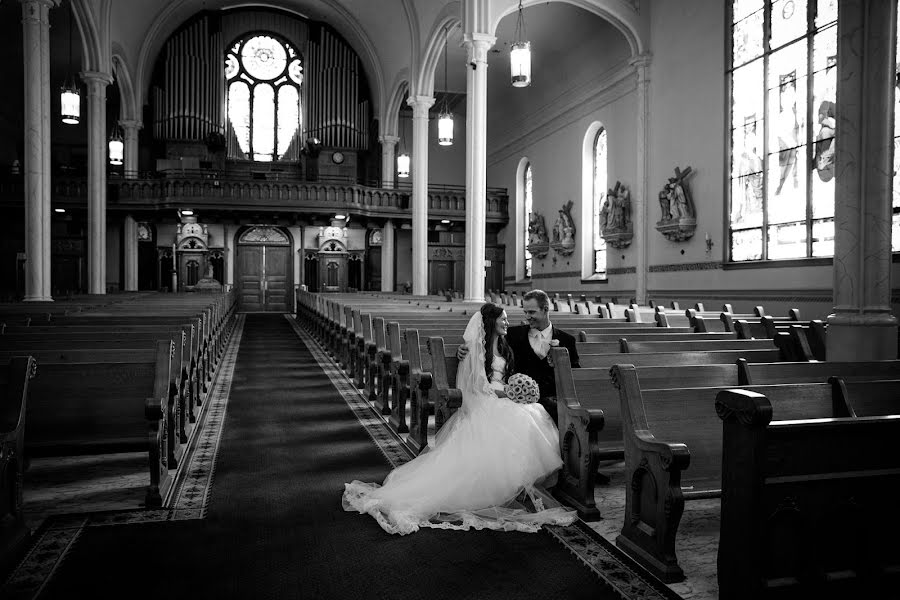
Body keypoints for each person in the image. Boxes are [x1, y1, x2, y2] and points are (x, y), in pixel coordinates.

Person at [342, 303, 577, 535]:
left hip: (503, 394)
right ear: (490, 322)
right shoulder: (474, 348)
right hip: (486, 399)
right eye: (503, 319)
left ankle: (525, 484)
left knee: (535, 412)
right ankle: (510, 485)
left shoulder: (508, 341)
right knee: (520, 418)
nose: (508, 322)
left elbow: (513, 368)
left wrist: (515, 390)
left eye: (508, 318)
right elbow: (476, 384)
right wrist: (505, 392)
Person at [457, 289, 580, 423]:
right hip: (519, 399)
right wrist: (461, 351)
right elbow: (484, 345)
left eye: (532, 312)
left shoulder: (567, 340)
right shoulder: (512, 335)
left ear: (545, 309)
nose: (527, 317)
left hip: (552, 400)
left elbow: (574, 374)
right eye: (525, 312)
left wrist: (558, 364)